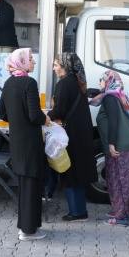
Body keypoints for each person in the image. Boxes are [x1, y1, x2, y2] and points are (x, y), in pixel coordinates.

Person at [0, 48, 48, 241]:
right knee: (31, 186)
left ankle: (27, 227)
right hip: (30, 141)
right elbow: (35, 115)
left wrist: (16, 119)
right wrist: (46, 119)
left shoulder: (9, 83)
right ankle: (28, 230)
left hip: (17, 141)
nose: (33, 62)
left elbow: (1, 113)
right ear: (22, 62)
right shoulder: (29, 83)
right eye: (31, 59)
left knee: (26, 185)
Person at [46, 53, 97, 222]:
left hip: (71, 134)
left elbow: (60, 110)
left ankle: (77, 212)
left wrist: (45, 117)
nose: (54, 68)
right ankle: (80, 210)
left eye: (56, 65)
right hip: (81, 132)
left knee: (70, 171)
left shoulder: (64, 84)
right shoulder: (78, 81)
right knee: (78, 172)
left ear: (64, 66)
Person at [91, 70, 129, 227]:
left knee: (120, 180)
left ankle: (122, 216)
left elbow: (114, 121)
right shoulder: (118, 95)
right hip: (127, 142)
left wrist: (112, 144)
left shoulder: (110, 98)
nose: (99, 82)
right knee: (119, 179)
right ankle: (122, 210)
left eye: (101, 79)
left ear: (108, 81)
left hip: (121, 145)